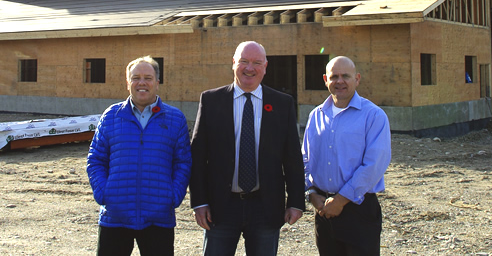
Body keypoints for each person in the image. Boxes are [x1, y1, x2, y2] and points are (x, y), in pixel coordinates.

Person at [190, 41, 305, 255]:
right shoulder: (211, 100)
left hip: (266, 206)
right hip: (220, 207)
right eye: (243, 61)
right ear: (233, 63)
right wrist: (199, 202)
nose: (249, 68)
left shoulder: (282, 104)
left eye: (256, 63)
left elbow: (292, 158)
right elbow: (197, 156)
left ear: (265, 67)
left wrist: (296, 201)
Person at [87, 56, 192, 256]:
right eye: (136, 78)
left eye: (148, 77)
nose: (141, 83)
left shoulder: (175, 118)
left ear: (157, 83)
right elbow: (95, 159)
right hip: (115, 216)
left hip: (158, 216)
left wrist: (173, 195)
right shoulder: (111, 116)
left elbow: (183, 163)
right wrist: (104, 193)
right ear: (128, 83)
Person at [302, 56, 391, 255]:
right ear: (325, 79)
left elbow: (374, 165)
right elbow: (306, 159)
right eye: (334, 76)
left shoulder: (373, 116)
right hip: (324, 211)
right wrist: (312, 193)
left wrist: (341, 200)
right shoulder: (315, 116)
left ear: (357, 79)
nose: (339, 81)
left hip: (358, 211)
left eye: (345, 76)